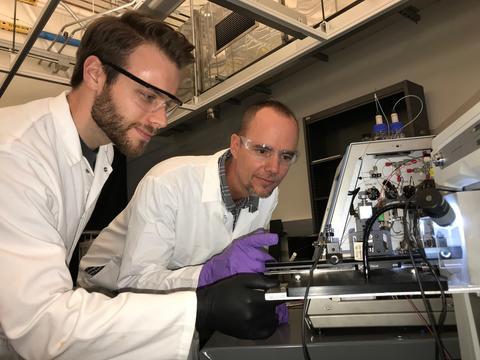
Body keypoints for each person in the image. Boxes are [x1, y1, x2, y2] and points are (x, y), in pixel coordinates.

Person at [0, 11, 280, 360]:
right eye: (148, 96)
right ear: (95, 74)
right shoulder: (16, 154)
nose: (161, 120)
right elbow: (40, 322)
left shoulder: (100, 151)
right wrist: (200, 306)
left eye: (167, 103)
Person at [78, 101, 299, 323]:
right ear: (236, 145)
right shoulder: (167, 182)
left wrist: (265, 297)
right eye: (262, 150)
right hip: (106, 291)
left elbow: (243, 265)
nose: (274, 169)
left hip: (190, 296)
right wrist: (208, 274)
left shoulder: (268, 193)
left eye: (286, 156)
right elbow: (135, 282)